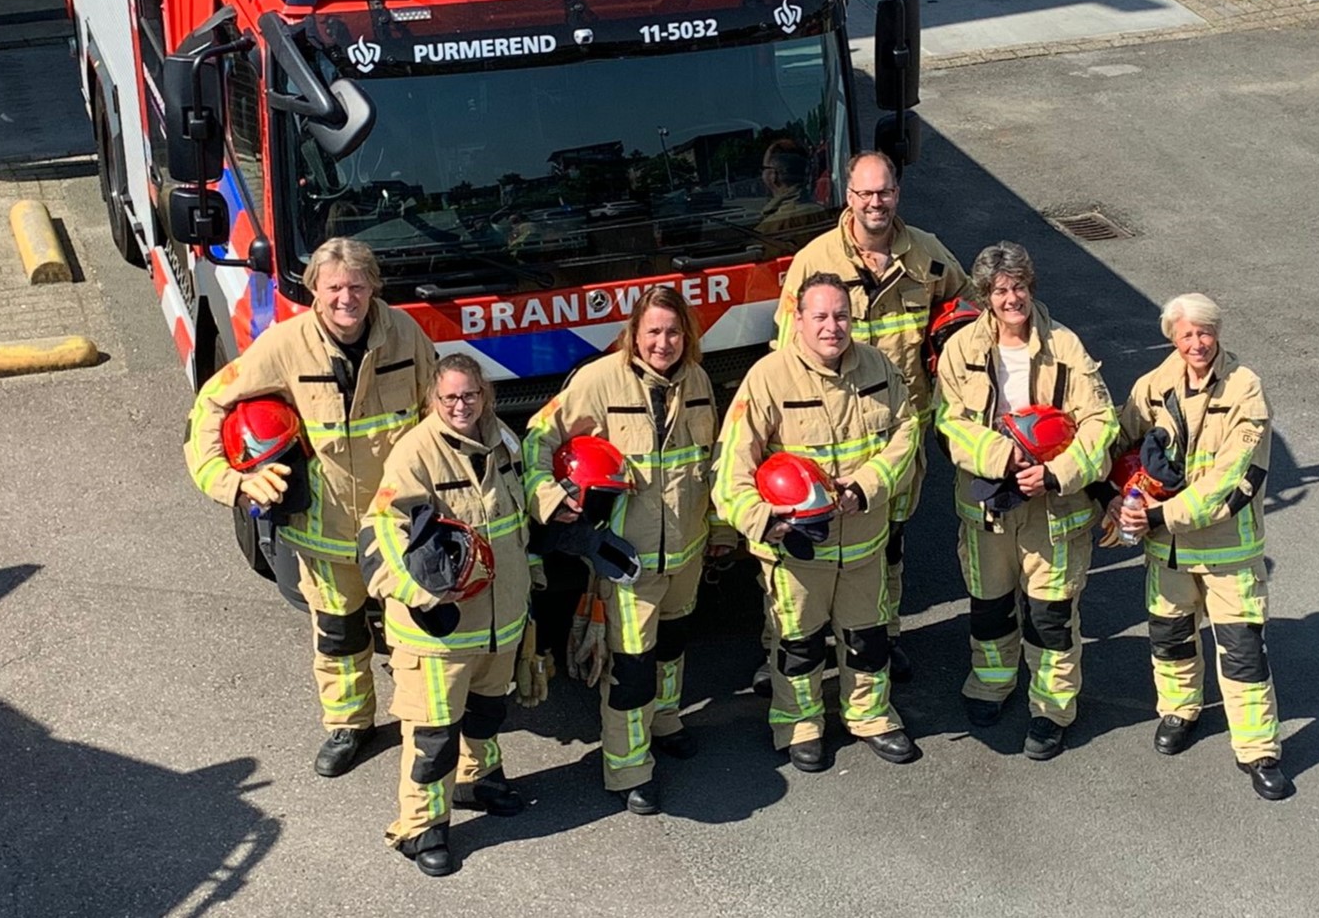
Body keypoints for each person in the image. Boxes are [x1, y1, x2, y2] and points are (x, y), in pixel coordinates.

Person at [185, 238, 435, 777]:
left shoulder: (407, 335)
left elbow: (433, 415)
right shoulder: (283, 346)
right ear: (315, 291)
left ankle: (428, 723)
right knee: (340, 635)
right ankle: (350, 725)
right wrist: (232, 482)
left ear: (374, 288)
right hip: (326, 532)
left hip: (397, 527)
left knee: (415, 631)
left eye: (357, 286)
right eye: (335, 287)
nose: (347, 298)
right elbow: (212, 402)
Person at [522, 285, 720, 816]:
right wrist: (547, 496)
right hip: (626, 560)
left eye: (674, 332)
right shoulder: (598, 380)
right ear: (633, 333)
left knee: (673, 646)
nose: (663, 342)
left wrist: (719, 532)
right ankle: (629, 767)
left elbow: (709, 462)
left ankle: (666, 721)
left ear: (688, 336)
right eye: (652, 331)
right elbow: (539, 436)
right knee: (631, 666)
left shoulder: (697, 382)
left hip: (687, 552)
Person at [715, 271, 920, 771]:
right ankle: (799, 724)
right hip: (797, 551)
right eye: (821, 317)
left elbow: (906, 432)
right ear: (799, 320)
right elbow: (730, 469)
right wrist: (763, 521)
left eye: (842, 315)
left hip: (864, 541)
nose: (833, 327)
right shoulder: (768, 377)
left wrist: (867, 485)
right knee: (798, 645)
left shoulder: (877, 366)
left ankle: (870, 715)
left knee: (868, 638)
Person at [773, 149, 965, 683]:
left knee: (890, 543)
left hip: (900, 431)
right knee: (807, 549)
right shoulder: (815, 261)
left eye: (884, 192)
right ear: (848, 196)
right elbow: (787, 354)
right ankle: (787, 648)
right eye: (864, 193)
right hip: (825, 433)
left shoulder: (927, 256)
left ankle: (884, 634)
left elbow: (968, 314)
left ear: (897, 194)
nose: (875, 202)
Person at [933, 242, 1116, 760]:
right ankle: (992, 682)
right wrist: (1000, 456)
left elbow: (1101, 424)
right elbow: (948, 421)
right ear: (985, 297)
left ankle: (1051, 710)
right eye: (999, 290)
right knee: (989, 607)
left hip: (1053, 510)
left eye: (1018, 287)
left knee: (1049, 616)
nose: (1011, 298)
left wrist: (1056, 474)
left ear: (1031, 288)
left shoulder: (1066, 346)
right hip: (988, 505)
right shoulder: (961, 349)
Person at [1108, 293, 1288, 800]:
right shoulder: (1154, 385)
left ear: (1218, 333)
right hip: (1167, 552)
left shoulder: (1246, 388)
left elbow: (1234, 478)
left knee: (1243, 653)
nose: (1197, 343)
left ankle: (1258, 750)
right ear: (1172, 338)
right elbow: (1119, 438)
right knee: (1170, 638)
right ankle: (1179, 710)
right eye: (1186, 335)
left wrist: (1158, 515)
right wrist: (1114, 494)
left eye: (1204, 332)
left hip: (1227, 550)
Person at [358, 354, 533, 876]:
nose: (461, 406)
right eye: (450, 397)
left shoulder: (504, 442)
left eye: (471, 396)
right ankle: (420, 828)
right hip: (440, 634)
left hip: (499, 621)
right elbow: (380, 533)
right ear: (433, 400)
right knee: (433, 737)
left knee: (486, 715)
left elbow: (516, 525)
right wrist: (419, 596)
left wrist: (532, 588)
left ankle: (476, 780)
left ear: (486, 396)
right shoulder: (415, 453)